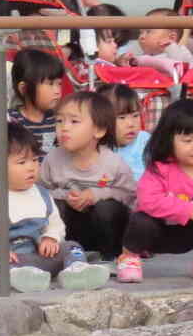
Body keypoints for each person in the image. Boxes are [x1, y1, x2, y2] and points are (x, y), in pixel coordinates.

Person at [0, 124, 107, 293]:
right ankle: (19, 277)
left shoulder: (42, 194)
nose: (31, 167)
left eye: (35, 160)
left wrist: (51, 238)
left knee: (71, 246)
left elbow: (55, 224)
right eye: (22, 162)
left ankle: (77, 271)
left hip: (40, 256)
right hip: (8, 260)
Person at [117, 98, 193, 284]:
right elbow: (148, 200)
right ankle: (129, 259)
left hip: (187, 233)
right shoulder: (160, 168)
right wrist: (186, 209)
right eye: (187, 140)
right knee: (140, 221)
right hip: (155, 232)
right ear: (168, 141)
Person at [39, 90, 134, 261]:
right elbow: (39, 193)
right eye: (59, 121)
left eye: (74, 121)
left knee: (107, 208)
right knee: (55, 207)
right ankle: (61, 253)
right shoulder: (53, 158)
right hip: (70, 229)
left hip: (106, 230)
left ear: (98, 130)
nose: (64, 128)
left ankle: (110, 258)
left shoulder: (113, 163)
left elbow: (129, 195)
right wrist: (64, 196)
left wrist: (96, 194)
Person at [9, 46, 65, 156]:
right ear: (24, 89)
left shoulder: (59, 119)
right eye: (50, 84)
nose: (57, 91)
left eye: (59, 84)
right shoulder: (11, 121)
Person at [118, 10, 193, 78]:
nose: (141, 36)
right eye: (141, 33)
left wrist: (171, 46)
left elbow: (182, 67)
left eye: (148, 32)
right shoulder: (139, 54)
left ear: (171, 37)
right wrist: (124, 62)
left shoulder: (180, 51)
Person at [107, 83, 149, 177]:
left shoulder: (146, 141)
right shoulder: (99, 148)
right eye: (122, 117)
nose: (131, 124)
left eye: (135, 116)